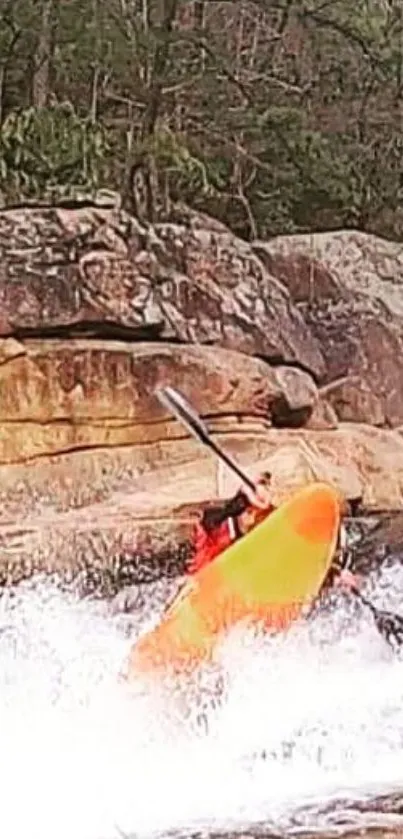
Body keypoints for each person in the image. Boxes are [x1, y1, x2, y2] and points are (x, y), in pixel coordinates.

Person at [188, 473, 361, 595]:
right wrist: (241, 503)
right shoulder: (231, 520)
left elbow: (308, 567)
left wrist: (336, 577)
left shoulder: (307, 538)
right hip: (213, 589)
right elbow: (209, 532)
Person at [187, 471, 275, 575]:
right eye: (263, 483)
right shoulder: (247, 492)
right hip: (222, 531)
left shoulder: (260, 500)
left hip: (230, 534)